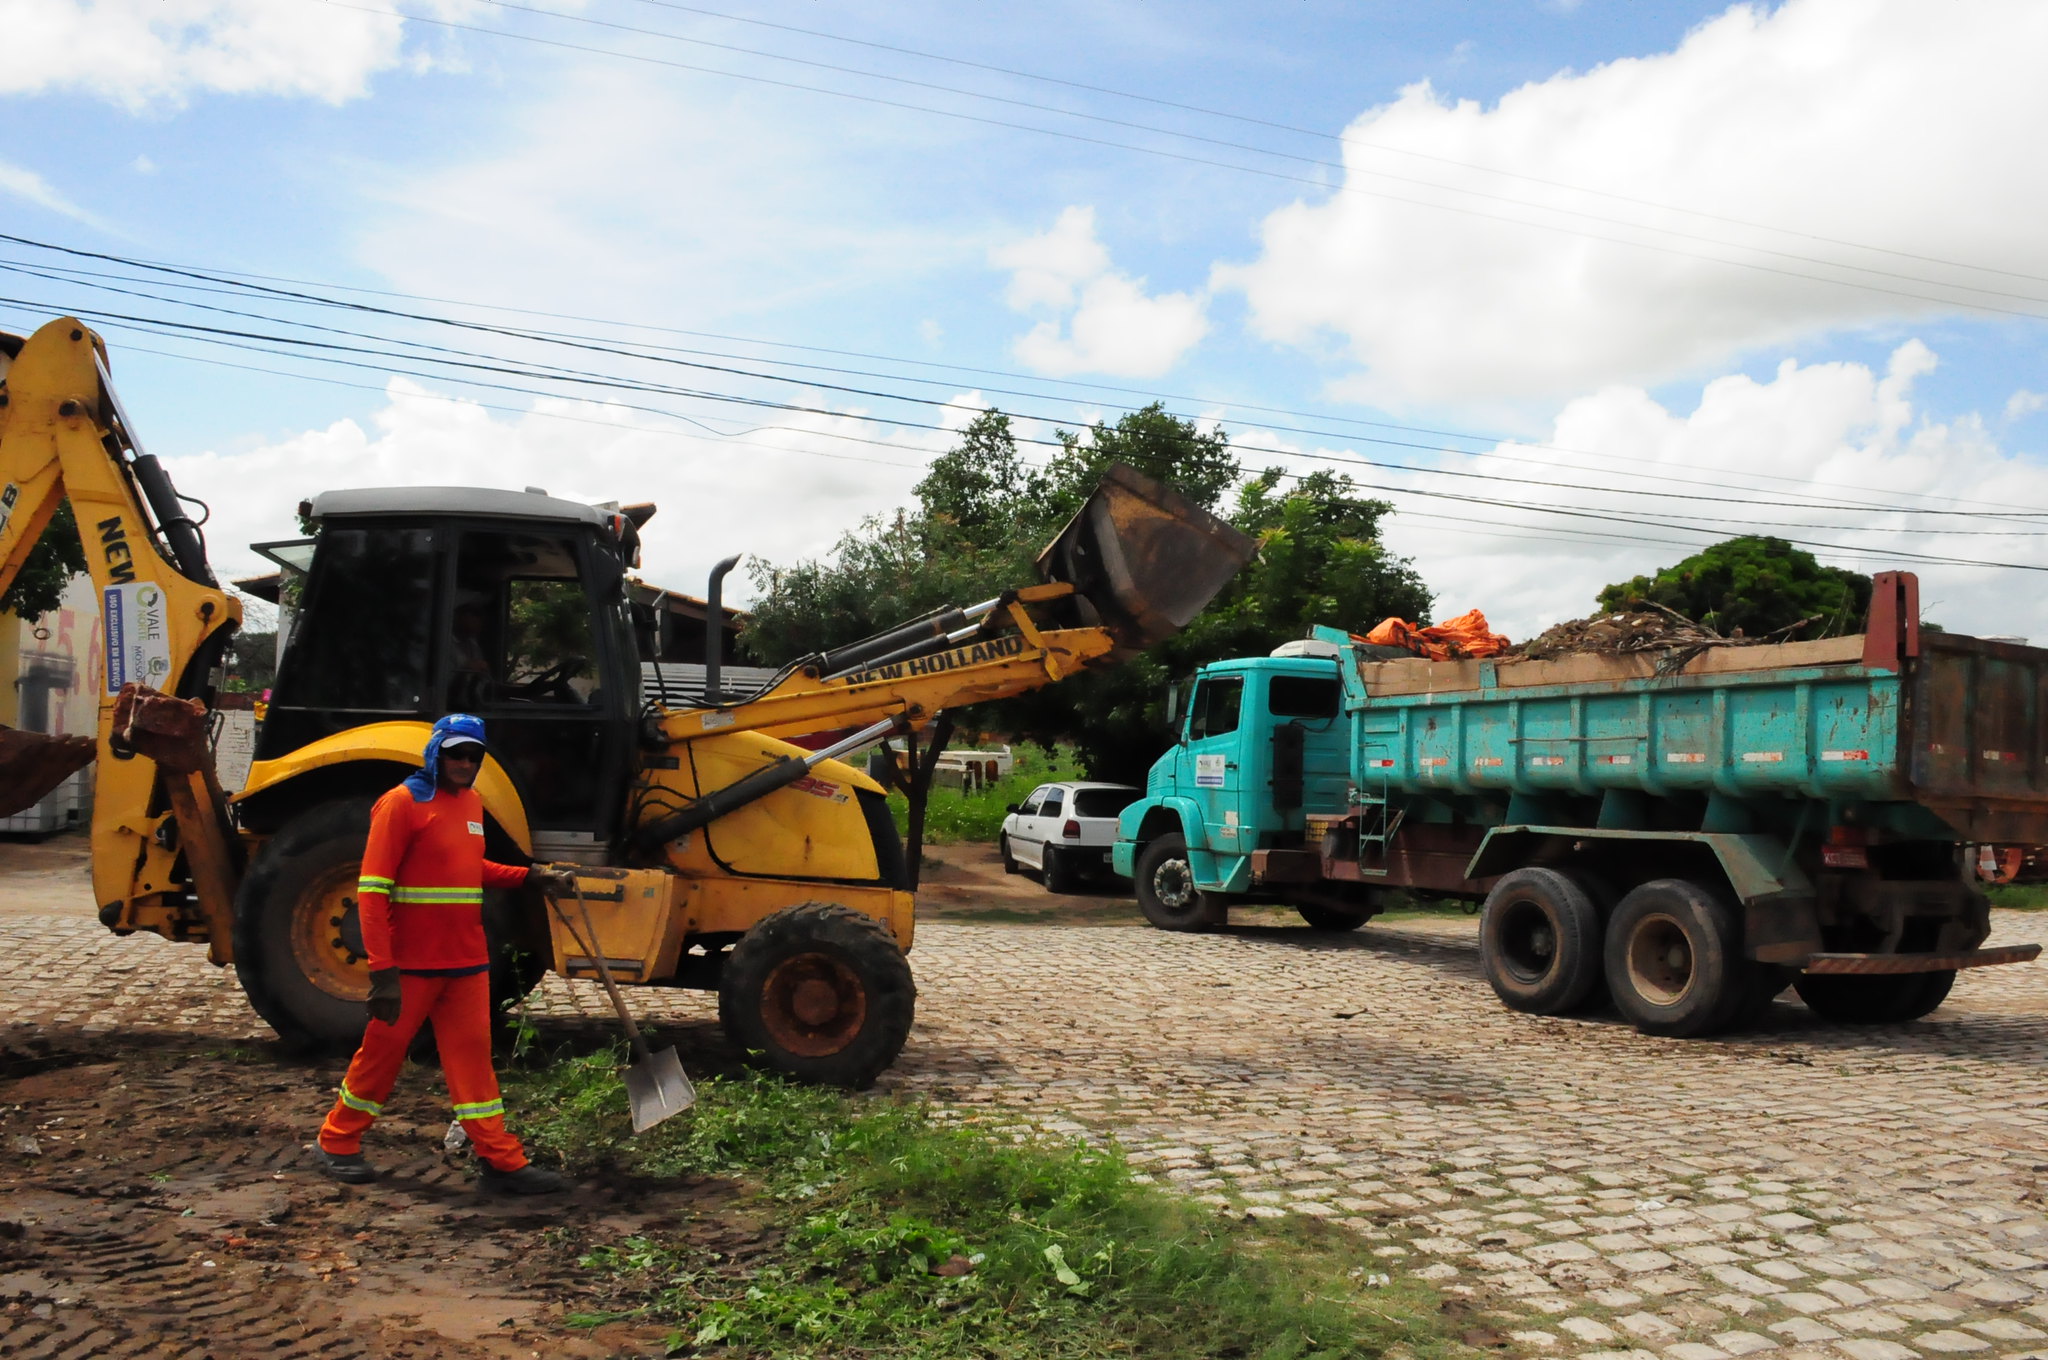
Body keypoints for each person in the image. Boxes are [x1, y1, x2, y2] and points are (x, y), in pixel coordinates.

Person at [312, 713, 576, 1193]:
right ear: (435, 751)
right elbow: (370, 894)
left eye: (474, 755)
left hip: (466, 962)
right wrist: (382, 972)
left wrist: (530, 876)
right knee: (381, 1056)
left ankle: (500, 1161)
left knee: (474, 1063)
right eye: (456, 753)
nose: (465, 763)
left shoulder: (472, 803)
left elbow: (470, 868)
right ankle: (337, 1141)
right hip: (410, 967)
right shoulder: (401, 804)